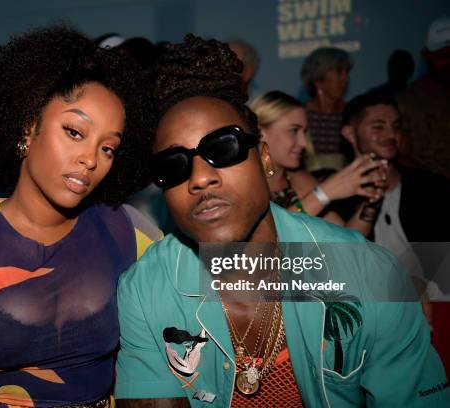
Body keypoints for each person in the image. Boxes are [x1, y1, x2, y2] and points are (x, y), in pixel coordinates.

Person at [114, 35, 448, 407]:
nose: (199, 178)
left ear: (266, 159)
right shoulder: (145, 291)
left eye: (222, 148)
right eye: (172, 166)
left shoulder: (367, 273)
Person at [0, 26, 161, 407]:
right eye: (75, 132)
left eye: (108, 148)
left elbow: (201, 283)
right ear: (29, 126)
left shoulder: (125, 227)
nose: (91, 160)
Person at [341, 89, 450, 310]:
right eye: (378, 126)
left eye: (397, 126)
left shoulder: (431, 188)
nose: (391, 135)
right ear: (350, 134)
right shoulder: (339, 199)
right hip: (374, 311)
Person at [251, 90, 386, 236]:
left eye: (305, 132)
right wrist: (324, 193)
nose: (303, 142)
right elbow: (266, 236)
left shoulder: (298, 180)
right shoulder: (243, 182)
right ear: (260, 133)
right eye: (294, 131)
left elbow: (346, 240)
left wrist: (370, 206)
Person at [396, 15, 450, 178]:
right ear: (426, 56)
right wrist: (436, 178)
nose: (449, 62)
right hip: (425, 193)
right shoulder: (405, 102)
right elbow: (397, 154)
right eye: (442, 56)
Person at [300, 47, 352, 171]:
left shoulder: (353, 114)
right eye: (339, 72)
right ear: (318, 79)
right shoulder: (300, 116)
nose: (346, 78)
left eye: (347, 72)